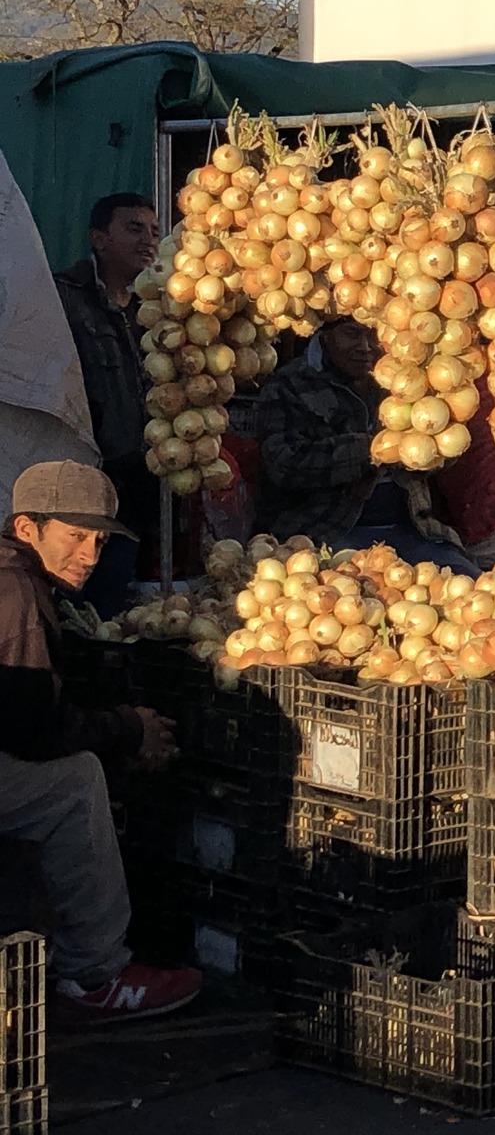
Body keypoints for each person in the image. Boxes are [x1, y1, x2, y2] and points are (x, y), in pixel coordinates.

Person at [0, 460, 199, 1019]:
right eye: (73, 537)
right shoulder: (15, 594)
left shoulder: (16, 577)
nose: (88, 556)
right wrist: (129, 727)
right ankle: (94, 974)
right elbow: (34, 731)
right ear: (26, 529)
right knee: (74, 782)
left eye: (97, 540)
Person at [250, 318, 475, 572]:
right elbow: (282, 464)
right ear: (325, 335)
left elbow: (445, 454)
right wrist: (369, 452)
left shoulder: (407, 378)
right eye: (351, 334)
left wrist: (427, 449)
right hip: (326, 533)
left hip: (411, 530)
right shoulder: (290, 386)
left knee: (469, 580)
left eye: (375, 335)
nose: (366, 346)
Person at [53, 193, 160, 615]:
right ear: (99, 238)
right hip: (82, 475)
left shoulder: (155, 309)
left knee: (114, 599)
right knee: (69, 596)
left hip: (138, 478)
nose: (148, 240)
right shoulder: (64, 299)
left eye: (153, 231)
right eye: (133, 229)